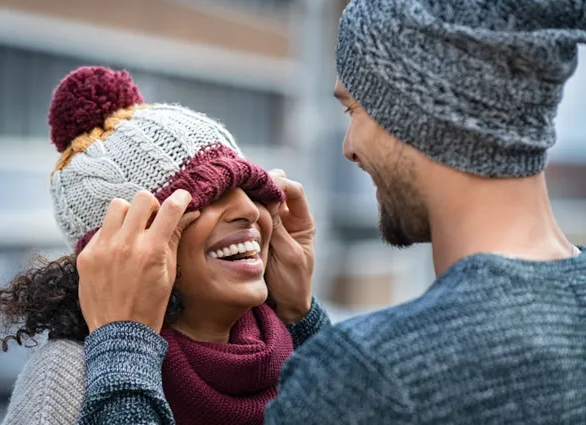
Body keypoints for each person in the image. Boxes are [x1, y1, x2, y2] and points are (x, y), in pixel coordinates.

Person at [73, 0, 586, 424]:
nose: (349, 146)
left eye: (353, 111)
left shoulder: (375, 373)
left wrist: (121, 349)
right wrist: (302, 319)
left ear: (415, 112)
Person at [0, 65, 330, 425]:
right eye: (206, 197)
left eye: (250, 189)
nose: (249, 210)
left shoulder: (298, 350)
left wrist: (303, 318)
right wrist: (125, 350)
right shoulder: (68, 375)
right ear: (124, 251)